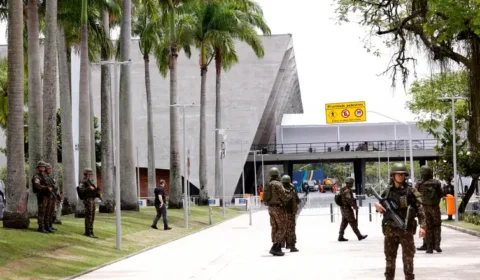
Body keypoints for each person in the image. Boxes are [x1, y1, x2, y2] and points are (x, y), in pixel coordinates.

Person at [375, 163, 426, 280]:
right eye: (398, 174)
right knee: (389, 260)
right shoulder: (387, 191)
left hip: (406, 230)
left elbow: (420, 209)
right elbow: (381, 207)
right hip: (390, 230)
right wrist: (377, 207)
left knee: (408, 260)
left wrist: (423, 226)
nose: (401, 176)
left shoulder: (410, 191)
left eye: (403, 174)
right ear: (393, 175)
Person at [416, 166, 443, 253]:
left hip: (424, 207)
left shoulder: (420, 183)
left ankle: (429, 247)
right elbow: (441, 194)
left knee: (428, 227)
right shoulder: (437, 183)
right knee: (437, 226)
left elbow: (416, 195)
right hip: (435, 207)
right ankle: (437, 245)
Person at [266, 167, 287, 256]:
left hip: (270, 208)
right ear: (278, 174)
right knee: (282, 227)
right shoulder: (278, 184)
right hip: (278, 208)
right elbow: (284, 196)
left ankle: (277, 247)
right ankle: (274, 247)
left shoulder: (268, 184)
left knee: (275, 227)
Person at [338, 177, 367, 242]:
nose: (352, 184)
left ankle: (340, 236)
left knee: (344, 223)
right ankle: (359, 236)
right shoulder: (347, 190)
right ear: (348, 183)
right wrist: (354, 206)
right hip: (347, 209)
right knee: (352, 222)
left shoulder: (343, 189)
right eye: (351, 183)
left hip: (343, 208)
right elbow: (348, 200)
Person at [78, 168, 102, 238]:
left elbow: (94, 190)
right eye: (88, 174)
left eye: (90, 174)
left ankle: (91, 231)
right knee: (89, 215)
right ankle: (88, 231)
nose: (89, 175)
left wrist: (98, 194)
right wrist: (88, 188)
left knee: (92, 215)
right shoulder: (83, 181)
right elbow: (81, 190)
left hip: (92, 199)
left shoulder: (90, 182)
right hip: (88, 200)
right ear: (85, 174)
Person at [281, 175, 300, 252]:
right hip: (291, 213)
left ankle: (281, 245)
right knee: (291, 229)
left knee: (282, 228)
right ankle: (291, 246)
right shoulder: (292, 191)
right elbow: (298, 200)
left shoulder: (280, 191)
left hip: (282, 213)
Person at [32, 160, 52, 233]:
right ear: (38, 168)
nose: (43, 168)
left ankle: (46, 226)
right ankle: (41, 227)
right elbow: (37, 185)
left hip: (46, 196)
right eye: (41, 167)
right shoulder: (37, 176)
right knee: (42, 212)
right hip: (41, 196)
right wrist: (46, 187)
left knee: (46, 212)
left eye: (44, 167)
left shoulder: (45, 176)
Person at [44, 163, 58, 232]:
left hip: (53, 195)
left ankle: (50, 225)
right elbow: (48, 185)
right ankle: (46, 226)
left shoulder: (51, 176)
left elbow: (54, 185)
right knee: (47, 212)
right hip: (48, 195)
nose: (50, 170)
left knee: (51, 211)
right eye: (49, 169)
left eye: (50, 168)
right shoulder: (45, 177)